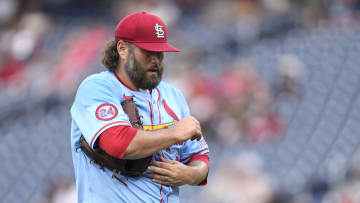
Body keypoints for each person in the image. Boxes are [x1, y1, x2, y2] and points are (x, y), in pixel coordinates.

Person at [70, 11, 210, 203]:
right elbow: (118, 143)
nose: (156, 59)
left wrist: (191, 175)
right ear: (122, 49)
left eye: (160, 52)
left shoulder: (173, 96)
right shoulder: (97, 87)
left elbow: (199, 157)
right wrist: (174, 133)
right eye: (147, 51)